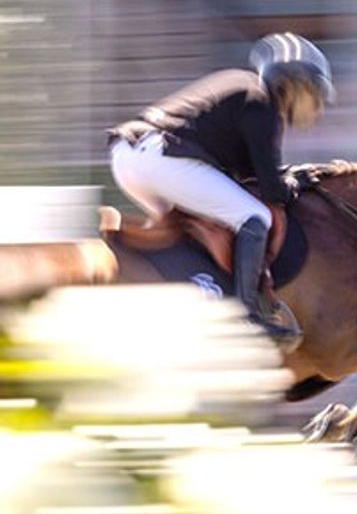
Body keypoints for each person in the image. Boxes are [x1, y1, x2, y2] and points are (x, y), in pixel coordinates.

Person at [107, 32, 335, 342]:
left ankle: (187, 288)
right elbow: (269, 189)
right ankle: (248, 315)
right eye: (312, 92)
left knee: (192, 226)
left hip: (129, 157)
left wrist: (286, 178)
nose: (316, 105)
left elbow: (247, 174)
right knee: (255, 217)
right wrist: (294, 183)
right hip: (161, 159)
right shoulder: (262, 103)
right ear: (293, 84)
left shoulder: (242, 85)